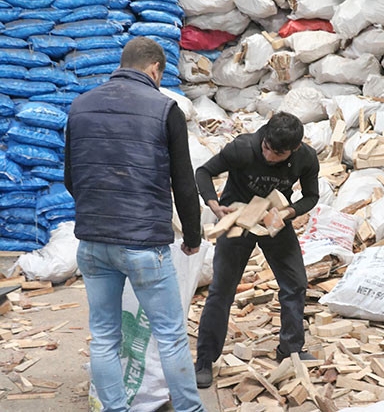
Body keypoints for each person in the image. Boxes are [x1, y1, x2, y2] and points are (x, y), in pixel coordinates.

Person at [64, 37, 206, 412]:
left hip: (93, 243)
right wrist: (192, 237)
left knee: (105, 338)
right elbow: (183, 182)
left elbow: (70, 178)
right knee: (171, 337)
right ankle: (191, 409)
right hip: (144, 244)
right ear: (155, 70)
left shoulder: (80, 107)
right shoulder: (165, 108)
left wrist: (98, 211)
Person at [194, 112, 320, 388]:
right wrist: (214, 205)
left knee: (295, 284)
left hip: (274, 218)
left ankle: (291, 350)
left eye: (277, 153)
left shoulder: (305, 157)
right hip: (237, 217)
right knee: (221, 291)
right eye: (266, 148)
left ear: (294, 149)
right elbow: (203, 172)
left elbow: (311, 196)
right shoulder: (243, 147)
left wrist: (288, 212)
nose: (269, 156)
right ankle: (205, 359)